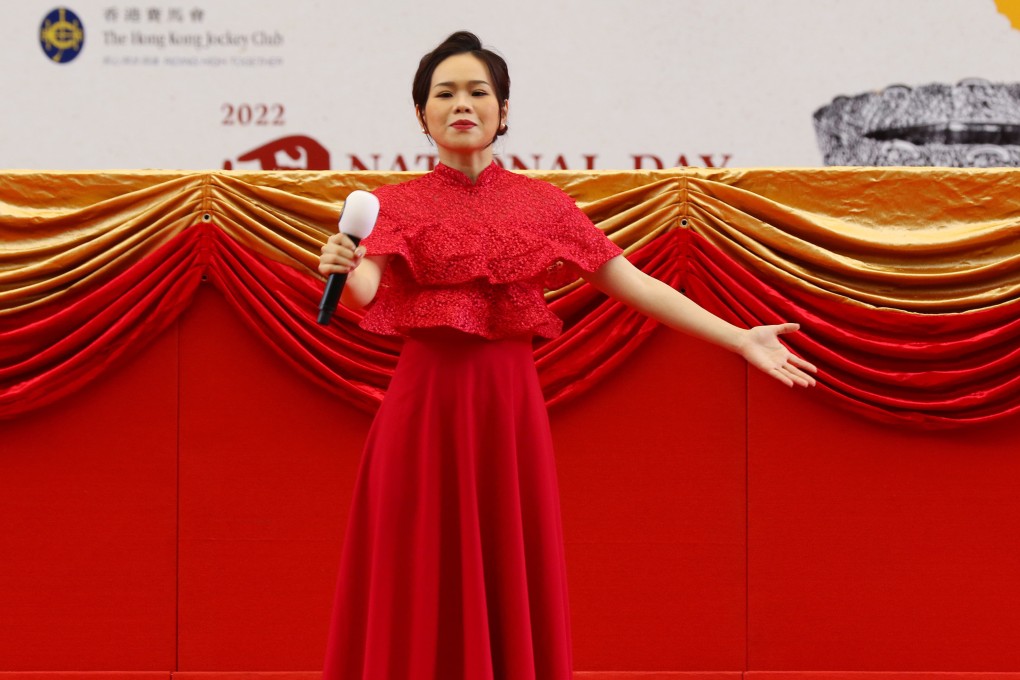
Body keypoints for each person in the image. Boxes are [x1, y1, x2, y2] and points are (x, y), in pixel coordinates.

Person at [318, 30, 816, 680]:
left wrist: (738, 336)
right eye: (445, 93)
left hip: (509, 410)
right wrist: (343, 263)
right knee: (417, 564)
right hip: (423, 412)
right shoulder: (391, 205)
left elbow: (635, 283)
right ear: (422, 115)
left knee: (506, 560)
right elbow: (365, 289)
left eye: (478, 91)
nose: (462, 103)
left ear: (503, 110)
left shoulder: (543, 205)